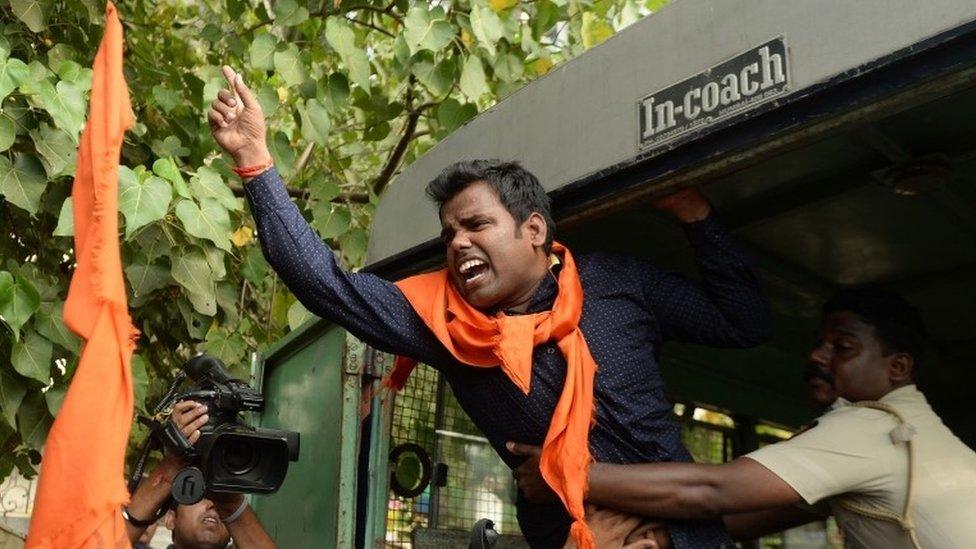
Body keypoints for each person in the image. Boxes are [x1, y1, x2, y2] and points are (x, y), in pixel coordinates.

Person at [208, 66, 770, 547]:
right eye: (449, 233)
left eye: (476, 225)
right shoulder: (442, 323)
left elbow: (743, 324)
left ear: (533, 231)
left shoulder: (618, 282)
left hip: (689, 534)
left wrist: (695, 214)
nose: (457, 244)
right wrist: (256, 164)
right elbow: (323, 283)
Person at [512, 288, 976, 548]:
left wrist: (566, 473)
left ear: (898, 367)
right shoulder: (900, 427)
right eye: (820, 342)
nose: (818, 356)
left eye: (843, 348)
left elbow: (714, 491)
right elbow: (767, 513)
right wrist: (663, 540)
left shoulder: (872, 426)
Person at [123, 401, 276, 549]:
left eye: (216, 500)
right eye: (198, 493)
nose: (212, 506)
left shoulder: (229, 508)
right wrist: (171, 466)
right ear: (170, 519)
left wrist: (231, 504)